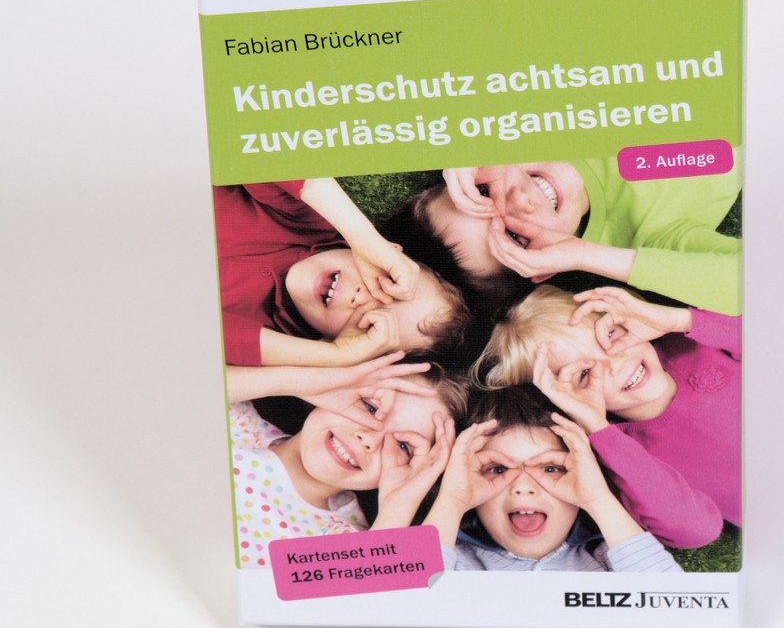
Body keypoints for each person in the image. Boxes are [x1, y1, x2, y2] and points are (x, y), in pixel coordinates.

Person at [476, 284, 740, 545]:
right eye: (584, 373)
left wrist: (677, 320)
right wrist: (597, 427)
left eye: (610, 335)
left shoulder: (695, 341)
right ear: (566, 400)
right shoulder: (625, 457)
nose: (615, 363)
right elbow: (698, 529)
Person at [393, 154, 742, 314]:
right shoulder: (652, 236)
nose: (519, 200)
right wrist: (584, 255)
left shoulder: (540, 107)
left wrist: (476, 130)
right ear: (545, 266)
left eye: (482, 193)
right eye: (515, 236)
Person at [214, 178, 473, 371]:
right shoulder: (306, 220)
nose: (362, 298)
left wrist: (335, 355)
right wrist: (363, 236)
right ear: (390, 253)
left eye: (371, 324)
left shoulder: (271, 343)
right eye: (390, 281)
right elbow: (261, 146)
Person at [424, 384, 681, 574]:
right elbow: (399, 594)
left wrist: (598, 499)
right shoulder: (449, 556)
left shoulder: (610, 557)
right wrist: (452, 500)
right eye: (498, 469)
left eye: (550, 468)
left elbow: (674, 605)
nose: (523, 487)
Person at [230, 369, 461, 564]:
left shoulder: (348, 543)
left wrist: (396, 510)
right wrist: (302, 381)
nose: (369, 438)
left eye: (403, 446)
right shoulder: (236, 414)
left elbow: (375, 596)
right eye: (370, 407)